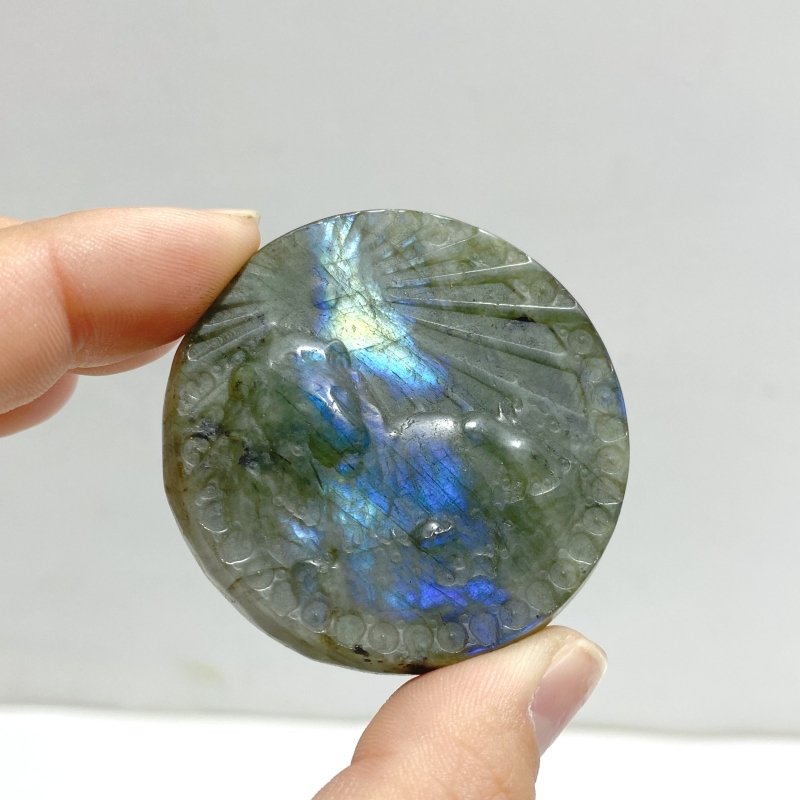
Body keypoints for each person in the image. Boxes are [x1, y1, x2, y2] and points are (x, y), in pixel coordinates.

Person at [0, 207, 607, 799]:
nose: (325, 407)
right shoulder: (294, 529)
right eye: (301, 403)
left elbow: (538, 496)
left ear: (348, 374)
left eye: (327, 387)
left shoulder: (466, 444)